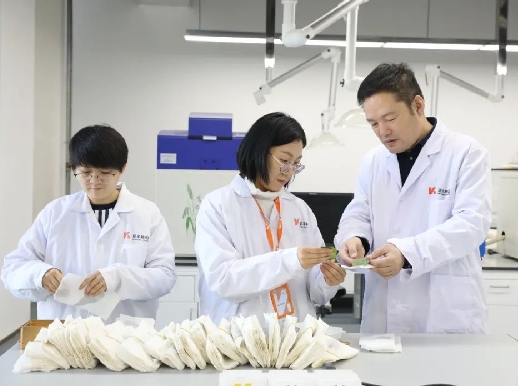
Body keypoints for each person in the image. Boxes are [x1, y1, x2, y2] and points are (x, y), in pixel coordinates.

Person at [335, 63, 491, 334]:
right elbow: (359, 212)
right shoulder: (373, 161)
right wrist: (354, 238)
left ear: (417, 105)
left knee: (443, 364)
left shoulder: (466, 153)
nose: (382, 131)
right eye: (373, 123)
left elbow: (472, 224)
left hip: (444, 313)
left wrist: (407, 253)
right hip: (383, 312)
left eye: (390, 118)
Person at [1, 124, 177, 323]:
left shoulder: (146, 213)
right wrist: (40, 274)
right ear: (74, 169)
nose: (94, 180)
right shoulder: (55, 213)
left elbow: (165, 276)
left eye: (104, 172)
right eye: (85, 172)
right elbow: (12, 269)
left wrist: (118, 278)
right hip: (64, 331)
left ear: (122, 169)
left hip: (125, 334)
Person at [194, 112, 346, 325]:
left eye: (296, 163)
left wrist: (328, 280)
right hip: (238, 336)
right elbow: (224, 280)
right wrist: (289, 260)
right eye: (284, 160)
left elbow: (316, 293)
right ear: (259, 151)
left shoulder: (299, 209)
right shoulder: (218, 205)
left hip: (295, 335)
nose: (289, 171)